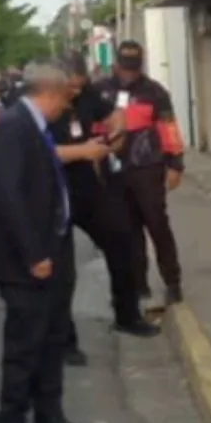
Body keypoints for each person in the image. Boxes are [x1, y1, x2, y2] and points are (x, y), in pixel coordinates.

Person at [0, 60, 80, 423]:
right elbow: (8, 195)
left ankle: (49, 409)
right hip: (25, 255)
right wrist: (34, 253)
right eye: (64, 98)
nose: (66, 106)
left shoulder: (37, 127)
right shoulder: (14, 128)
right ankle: (10, 419)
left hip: (53, 244)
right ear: (50, 93)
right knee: (26, 339)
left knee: (53, 334)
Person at [52, 52, 160, 365]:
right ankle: (63, 341)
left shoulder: (89, 95)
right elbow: (38, 151)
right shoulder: (38, 103)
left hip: (87, 184)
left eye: (79, 86)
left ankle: (127, 315)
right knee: (61, 270)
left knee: (122, 240)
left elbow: (113, 112)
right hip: (52, 191)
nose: (75, 93)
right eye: (70, 87)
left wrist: (117, 125)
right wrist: (82, 151)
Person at [97, 40, 186, 308]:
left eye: (134, 69)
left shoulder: (154, 92)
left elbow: (169, 128)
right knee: (128, 229)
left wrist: (175, 164)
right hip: (113, 169)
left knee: (157, 224)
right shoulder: (101, 91)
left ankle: (173, 282)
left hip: (148, 168)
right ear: (116, 64)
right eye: (125, 68)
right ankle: (139, 284)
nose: (129, 74)